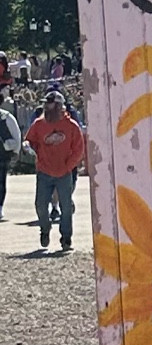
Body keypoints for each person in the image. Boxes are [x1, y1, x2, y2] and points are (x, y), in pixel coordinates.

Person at [26, 88, 85, 250]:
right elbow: (30, 140)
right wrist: (32, 149)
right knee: (40, 205)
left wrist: (68, 165)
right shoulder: (39, 124)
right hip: (44, 172)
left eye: (50, 105)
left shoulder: (71, 126)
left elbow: (79, 149)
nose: (46, 108)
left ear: (59, 106)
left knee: (66, 207)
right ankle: (45, 229)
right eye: (45, 105)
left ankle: (66, 238)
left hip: (64, 173)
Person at [0, 100, 19, 218]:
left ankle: (0, 207)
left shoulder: (6, 117)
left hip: (2, 155)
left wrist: (16, 151)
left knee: (1, 182)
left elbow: (16, 134)